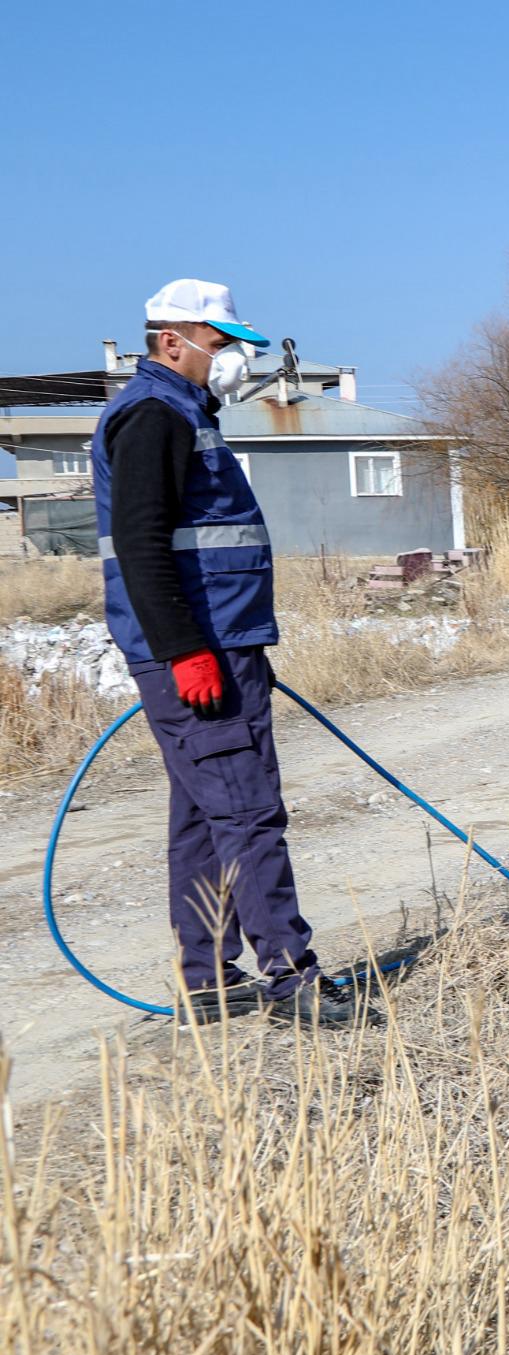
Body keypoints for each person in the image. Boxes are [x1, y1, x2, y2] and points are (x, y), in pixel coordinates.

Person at [92, 278, 370, 1027]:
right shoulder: (152, 415)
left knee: (204, 816)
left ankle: (209, 977)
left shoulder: (183, 411)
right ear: (171, 341)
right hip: (196, 651)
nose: (235, 360)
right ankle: (292, 978)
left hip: (223, 643)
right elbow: (142, 545)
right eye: (221, 345)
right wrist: (188, 651)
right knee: (247, 811)